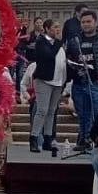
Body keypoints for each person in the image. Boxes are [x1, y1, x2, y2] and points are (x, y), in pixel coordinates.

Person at [67, 10, 98, 150]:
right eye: (83, 22)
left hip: (96, 83)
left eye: (89, 21)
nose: (86, 24)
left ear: (95, 22)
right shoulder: (75, 40)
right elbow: (68, 57)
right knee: (83, 114)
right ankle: (84, 140)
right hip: (79, 83)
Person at [30, 20, 67, 152]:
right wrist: (58, 42)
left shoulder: (60, 44)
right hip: (44, 80)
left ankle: (48, 139)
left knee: (52, 111)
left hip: (58, 81)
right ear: (46, 29)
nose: (58, 29)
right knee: (42, 110)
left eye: (59, 27)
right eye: (55, 27)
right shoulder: (41, 41)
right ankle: (34, 138)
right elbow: (49, 56)